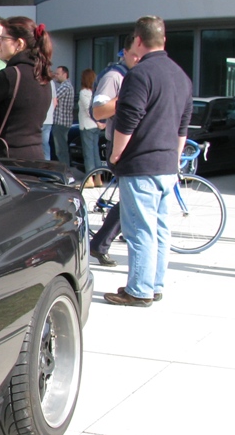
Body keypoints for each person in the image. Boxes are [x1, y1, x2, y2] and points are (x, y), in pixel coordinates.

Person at [103, 16, 192, 306]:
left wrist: (116, 153)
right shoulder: (181, 76)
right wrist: (175, 159)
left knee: (140, 229)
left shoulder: (140, 74)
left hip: (141, 164)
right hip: (167, 164)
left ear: (138, 40)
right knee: (160, 229)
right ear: (163, 40)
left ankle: (139, 290)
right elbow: (183, 126)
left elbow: (128, 119)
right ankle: (154, 284)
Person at [88, 38, 140, 265]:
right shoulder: (114, 76)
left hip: (132, 144)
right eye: (134, 54)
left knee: (132, 199)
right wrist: (129, 98)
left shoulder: (136, 74)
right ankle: (100, 243)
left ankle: (102, 243)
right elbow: (98, 110)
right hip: (119, 143)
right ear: (124, 53)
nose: (138, 59)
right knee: (131, 200)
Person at [0, 17, 54, 160]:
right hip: (36, 153)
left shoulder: (10, 75)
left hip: (9, 154)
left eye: (3, 38)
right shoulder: (43, 76)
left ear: (19, 44)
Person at [77, 68, 101, 182]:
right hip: (95, 126)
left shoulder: (83, 93)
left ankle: (90, 179)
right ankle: (98, 178)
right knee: (95, 152)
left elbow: (88, 109)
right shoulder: (96, 92)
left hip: (87, 125)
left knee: (88, 153)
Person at [51, 65, 75, 165]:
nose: (55, 75)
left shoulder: (65, 86)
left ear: (65, 74)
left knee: (61, 150)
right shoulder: (67, 86)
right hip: (63, 122)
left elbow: (53, 97)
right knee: (62, 148)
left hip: (61, 122)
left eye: (57, 74)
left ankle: (65, 170)